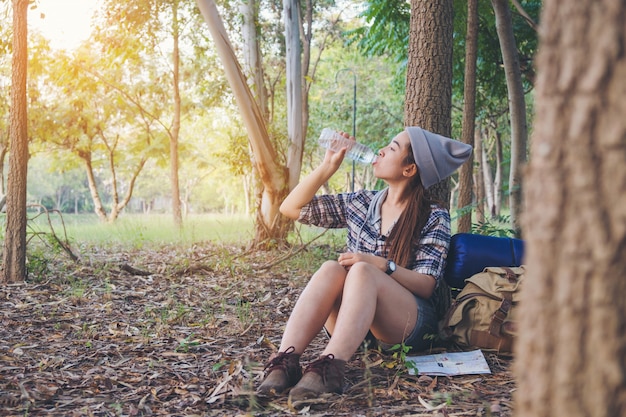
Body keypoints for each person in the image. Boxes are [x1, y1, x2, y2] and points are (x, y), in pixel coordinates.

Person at [256, 126, 473, 403]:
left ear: (409, 170)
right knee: (331, 268)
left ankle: (330, 367)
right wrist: (327, 166)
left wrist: (383, 265)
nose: (381, 150)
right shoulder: (362, 202)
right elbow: (291, 208)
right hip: (354, 325)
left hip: (405, 324)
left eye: (393, 148)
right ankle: (285, 361)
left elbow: (427, 285)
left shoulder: (434, 215)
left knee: (361, 270)